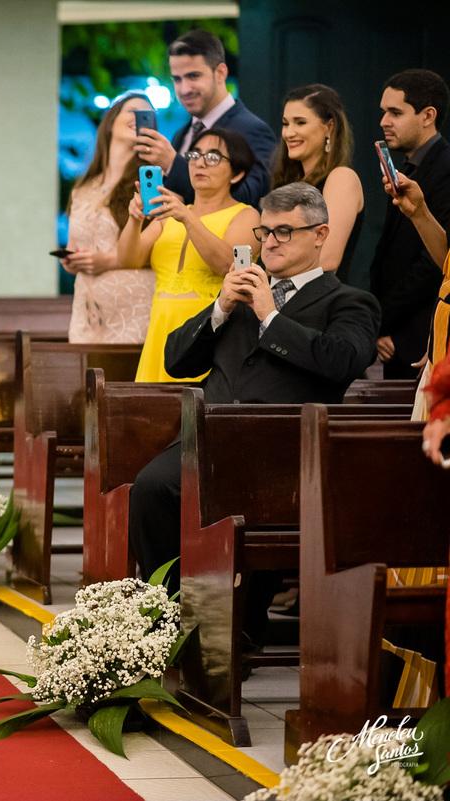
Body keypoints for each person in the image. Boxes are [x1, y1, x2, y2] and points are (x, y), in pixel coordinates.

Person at [128, 183, 380, 633]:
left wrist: (271, 317)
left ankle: (239, 627)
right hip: (208, 438)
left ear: (320, 234)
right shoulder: (240, 292)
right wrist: (221, 308)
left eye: (285, 231)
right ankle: (165, 623)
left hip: (282, 451)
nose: (271, 242)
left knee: (250, 507)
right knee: (150, 488)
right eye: (266, 232)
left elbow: (342, 360)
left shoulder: (349, 302)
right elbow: (175, 359)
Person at [118, 128, 260, 381]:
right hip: (161, 328)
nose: (200, 163)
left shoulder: (247, 215)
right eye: (195, 155)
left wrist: (187, 217)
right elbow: (128, 260)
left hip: (208, 332)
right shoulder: (169, 214)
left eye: (213, 157)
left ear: (237, 173)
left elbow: (228, 264)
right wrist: (134, 219)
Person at [135, 29, 276, 208]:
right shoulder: (182, 134)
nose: (184, 89)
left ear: (221, 73)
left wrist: (172, 163)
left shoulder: (253, 129)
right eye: (177, 79)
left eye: (193, 76)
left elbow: (249, 199)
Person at [369, 69, 450, 380]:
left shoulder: (445, 167)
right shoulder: (412, 165)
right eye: (383, 112)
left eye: (395, 112)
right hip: (398, 336)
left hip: (421, 336)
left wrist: (381, 321)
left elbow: (436, 263)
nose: (384, 121)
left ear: (428, 115)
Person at [62, 92, 157, 343]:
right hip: (88, 307)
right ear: (111, 120)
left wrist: (106, 260)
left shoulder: (148, 185)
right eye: (133, 111)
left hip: (133, 308)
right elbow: (77, 244)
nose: (139, 118)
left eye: (146, 115)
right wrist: (72, 259)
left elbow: (158, 248)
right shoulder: (82, 188)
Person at [269, 84, 364, 280]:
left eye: (300, 122)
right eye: (286, 123)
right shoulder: (288, 182)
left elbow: (327, 260)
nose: (288, 133)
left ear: (329, 127)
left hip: (321, 305)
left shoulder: (341, 178)